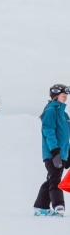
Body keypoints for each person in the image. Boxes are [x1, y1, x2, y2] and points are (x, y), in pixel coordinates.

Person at [33, 84, 70, 217]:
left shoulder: (65, 115)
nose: (66, 97)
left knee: (52, 179)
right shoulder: (50, 111)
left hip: (61, 153)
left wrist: (68, 153)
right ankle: (58, 205)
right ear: (55, 96)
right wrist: (55, 151)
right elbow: (48, 131)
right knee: (55, 180)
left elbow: (65, 137)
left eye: (66, 96)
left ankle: (40, 206)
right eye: (63, 95)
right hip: (52, 153)